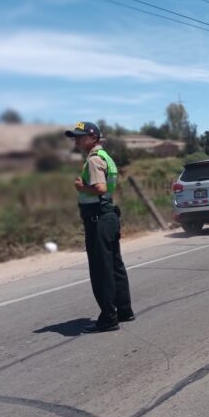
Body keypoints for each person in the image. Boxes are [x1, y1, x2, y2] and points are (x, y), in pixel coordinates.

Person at [65, 121, 134, 333]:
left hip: (98, 219)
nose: (76, 140)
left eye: (80, 136)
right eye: (75, 137)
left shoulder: (94, 160)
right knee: (115, 265)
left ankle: (108, 318)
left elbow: (100, 188)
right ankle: (124, 310)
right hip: (109, 216)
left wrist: (81, 187)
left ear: (93, 137)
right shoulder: (106, 157)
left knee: (101, 269)